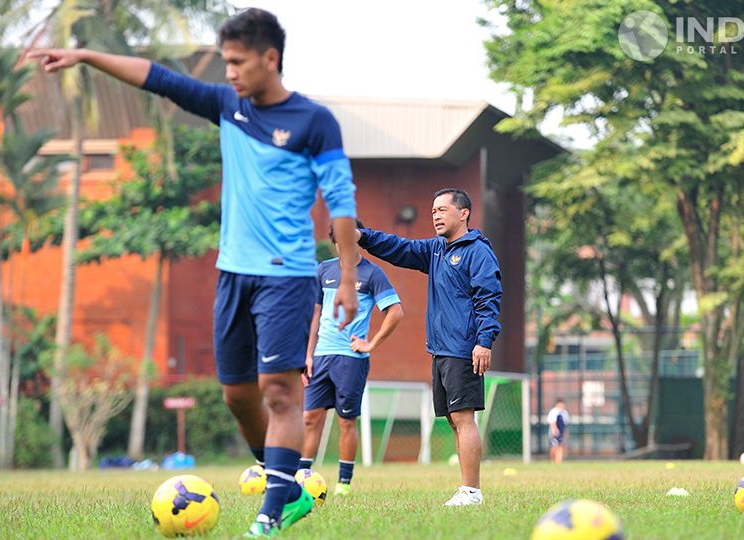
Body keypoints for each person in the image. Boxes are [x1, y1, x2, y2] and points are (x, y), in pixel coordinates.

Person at [29, 9, 361, 536]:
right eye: (224, 61)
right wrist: (86, 57)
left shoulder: (314, 122)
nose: (227, 72)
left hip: (287, 277)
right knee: (237, 395)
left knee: (278, 390)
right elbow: (158, 78)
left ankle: (272, 510)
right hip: (232, 274)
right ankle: (288, 483)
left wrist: (345, 278)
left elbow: (341, 202)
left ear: (269, 59)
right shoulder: (228, 106)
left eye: (237, 61)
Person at [355, 188, 501, 506]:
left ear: (463, 213)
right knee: (453, 419)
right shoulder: (435, 250)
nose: (435, 215)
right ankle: (467, 488)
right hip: (441, 348)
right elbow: (399, 248)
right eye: (433, 210)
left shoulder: (477, 251)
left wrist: (483, 342)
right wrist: (362, 236)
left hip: (464, 347)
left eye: (442, 209)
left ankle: (471, 492)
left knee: (463, 418)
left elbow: (488, 299)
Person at [300, 220, 404, 497]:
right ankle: (300, 479)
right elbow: (314, 315)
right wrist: (307, 355)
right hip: (320, 357)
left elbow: (395, 312)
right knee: (310, 417)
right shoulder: (323, 270)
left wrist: (371, 343)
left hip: (351, 359)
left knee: (346, 421)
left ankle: (343, 484)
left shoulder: (373, 274)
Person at [547, 399, 570, 464]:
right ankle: (552, 460)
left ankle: (558, 461)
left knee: (561, 446)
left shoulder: (564, 412)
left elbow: (565, 424)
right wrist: (554, 430)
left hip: (561, 431)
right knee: (554, 446)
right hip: (554, 432)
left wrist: (565, 433)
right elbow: (552, 422)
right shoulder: (553, 412)